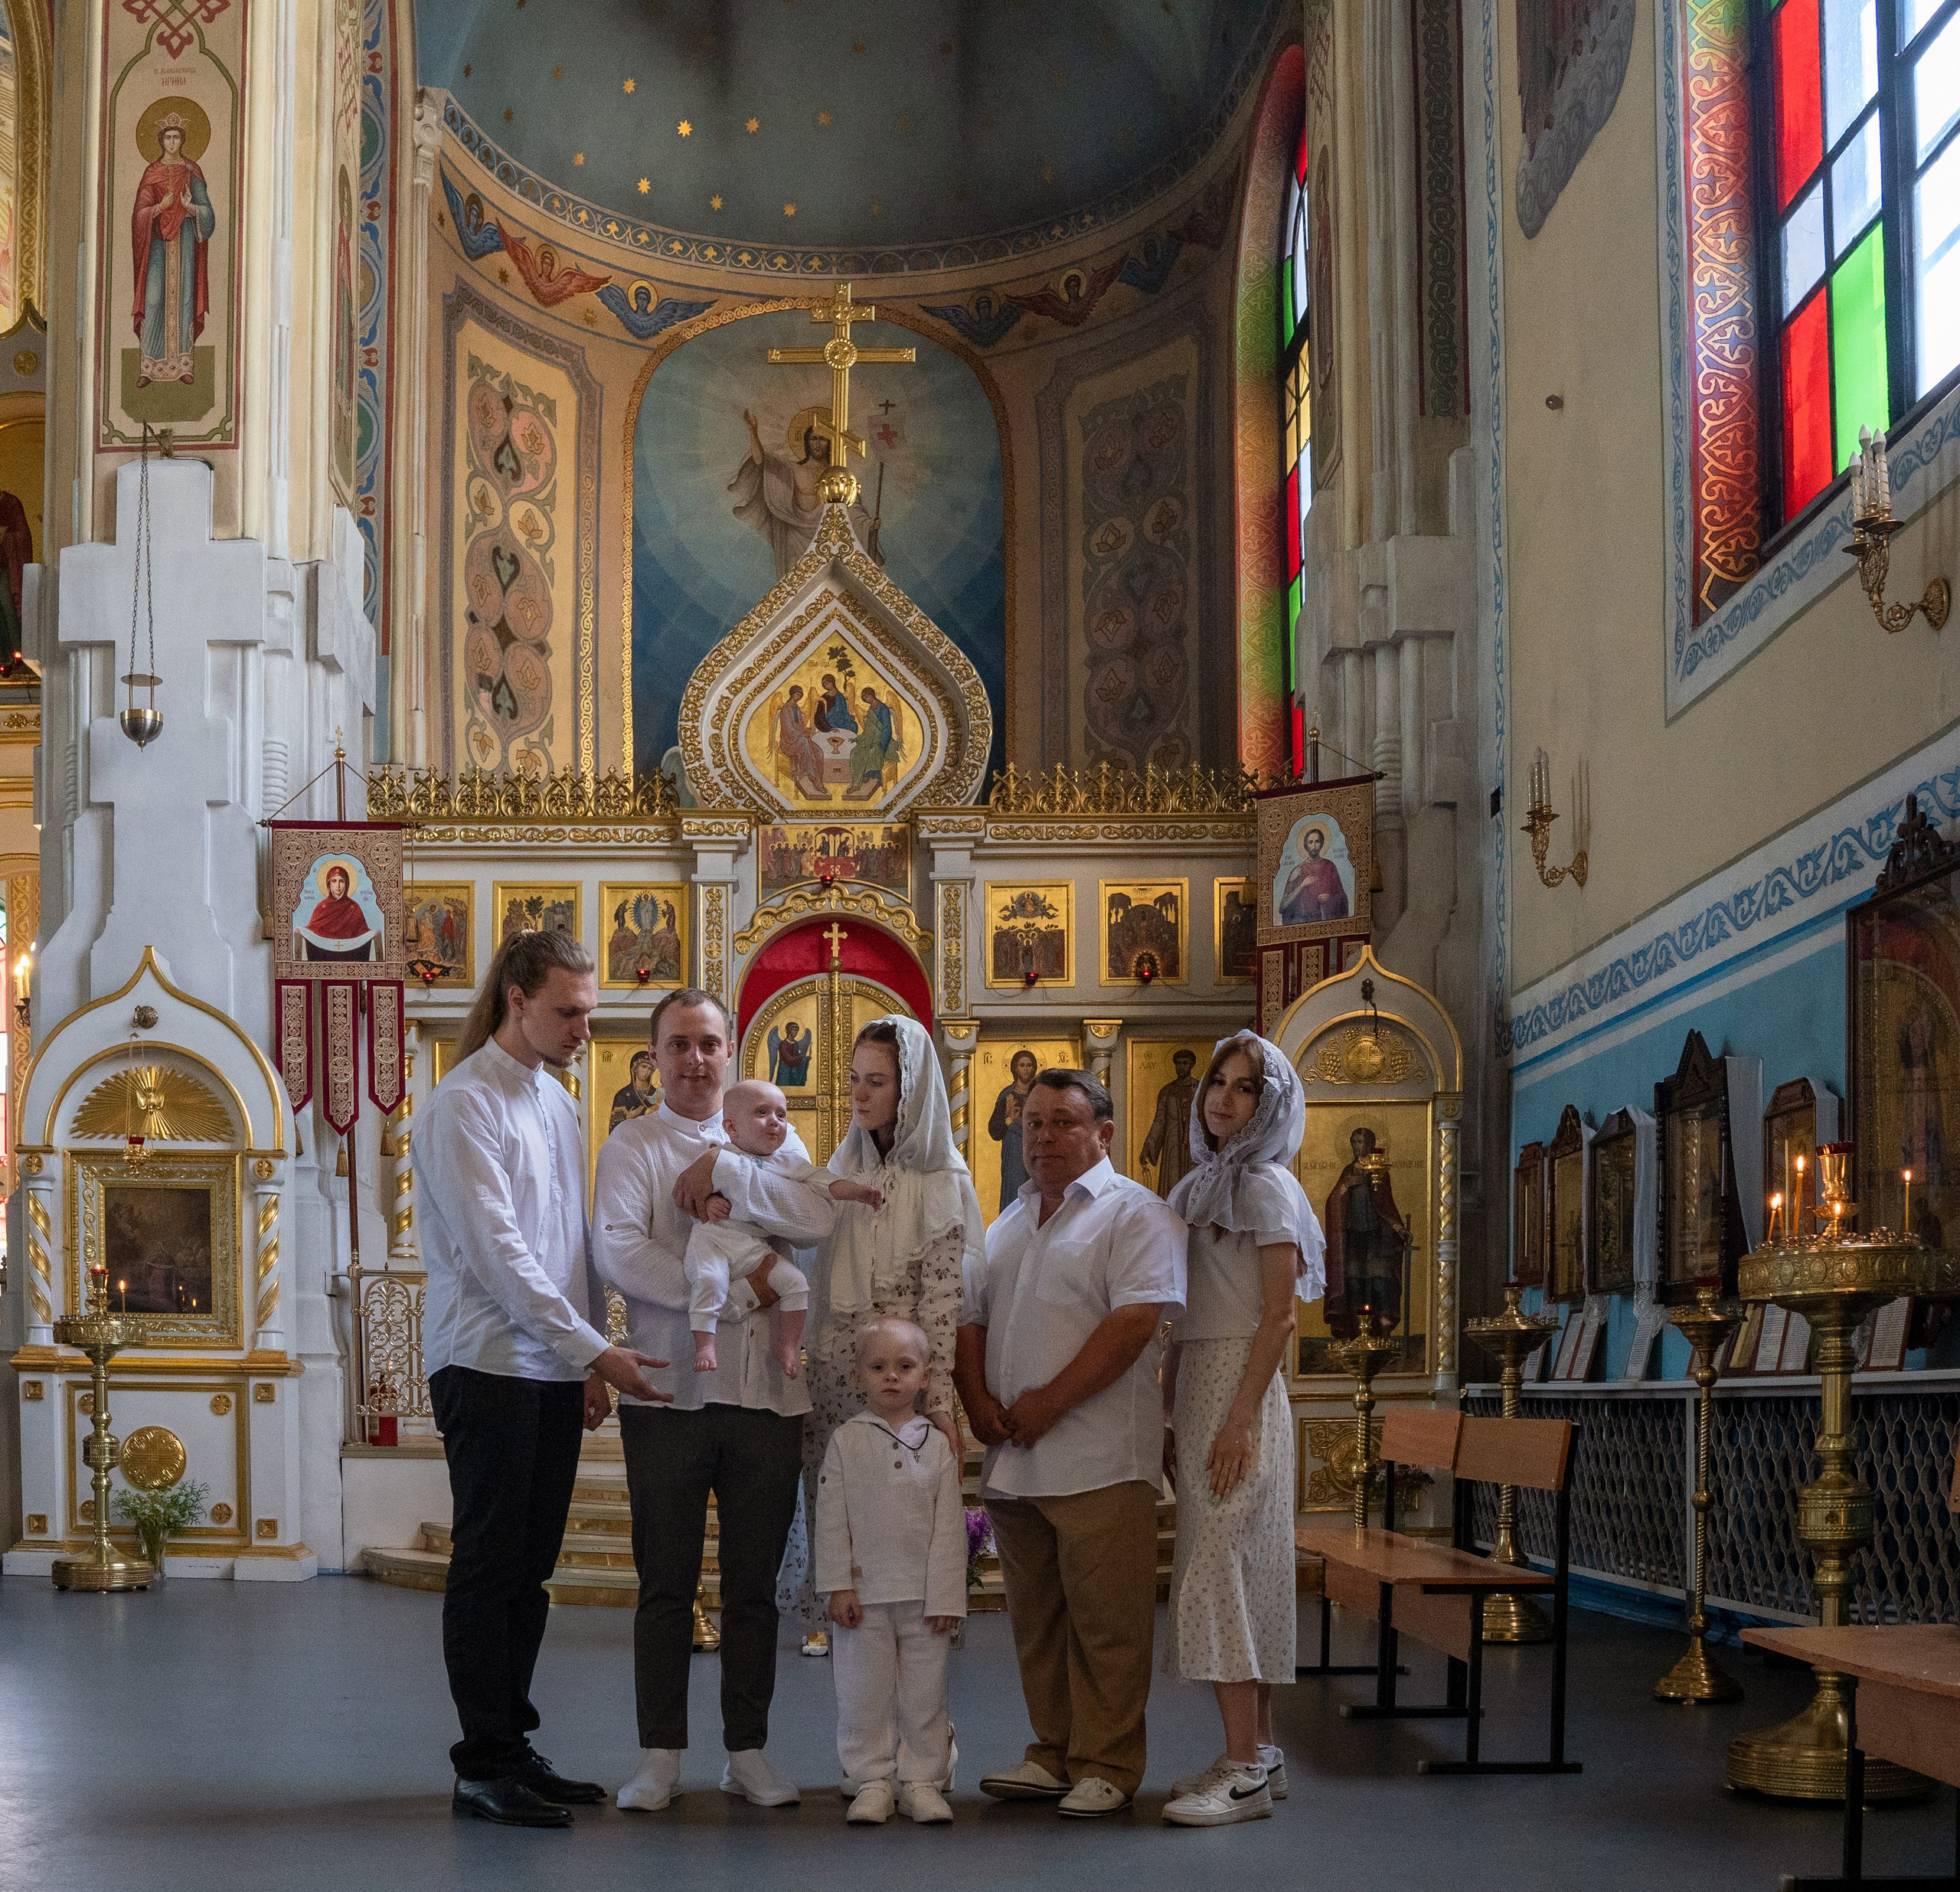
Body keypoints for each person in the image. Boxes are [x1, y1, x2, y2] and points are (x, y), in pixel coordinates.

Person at [417, 930, 668, 1828]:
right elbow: (500, 1255)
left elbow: (574, 1242)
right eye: (568, 1011)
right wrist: (594, 1350)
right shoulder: (463, 1102)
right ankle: (480, 1760)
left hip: (551, 1366)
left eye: (591, 1012)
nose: (582, 1029)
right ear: (517, 999)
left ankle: (513, 1743)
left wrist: (584, 1358)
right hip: (484, 1359)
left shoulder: (558, 1099)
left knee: (530, 1570)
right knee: (488, 1565)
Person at [594, 988, 835, 1814]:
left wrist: (729, 1169)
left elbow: (813, 1215)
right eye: (678, 1045)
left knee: (753, 1584)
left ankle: (748, 1749)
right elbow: (620, 1250)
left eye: (708, 1043)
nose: (695, 1059)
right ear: (654, 1056)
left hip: (767, 1395)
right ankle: (659, 1752)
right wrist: (737, 1299)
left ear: (730, 1050)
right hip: (668, 1387)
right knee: (665, 1580)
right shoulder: (632, 1144)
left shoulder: (772, 1131)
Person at [955, 1069, 1187, 1818]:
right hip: (1017, 1462)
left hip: (1097, 1455)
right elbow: (975, 1319)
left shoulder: (1134, 1214)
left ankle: (1109, 1762)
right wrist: (979, 1404)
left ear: (1104, 1133)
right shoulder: (1008, 1222)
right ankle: (1052, 1750)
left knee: (1107, 1622)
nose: (1043, 1136)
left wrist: (1047, 1402)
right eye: (1032, 1123)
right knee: (1039, 1621)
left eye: (1062, 1121)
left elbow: (1134, 1322)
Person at [1160, 1031, 1325, 1828]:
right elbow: (1176, 1307)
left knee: (1218, 1567)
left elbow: (1280, 1314)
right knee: (1243, 1563)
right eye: (1216, 1082)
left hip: (1240, 1385)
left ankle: (1242, 1769)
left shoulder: (1264, 1187)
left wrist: (1235, 1417)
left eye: (1246, 1087)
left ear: (1275, 1104)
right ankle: (1260, 1752)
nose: (1222, 1096)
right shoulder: (1199, 1184)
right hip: (1199, 1378)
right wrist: (1169, 1404)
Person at [777, 1016, 983, 1654]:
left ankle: (912, 1619)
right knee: (833, 1489)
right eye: (854, 1080)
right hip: (836, 1370)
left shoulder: (943, 1181)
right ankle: (833, 1606)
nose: (860, 1095)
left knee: (900, 1504)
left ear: (910, 1090)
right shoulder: (840, 1167)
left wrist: (939, 1398)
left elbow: (942, 1305)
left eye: (877, 1082)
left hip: (902, 1375)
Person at [814, 1318, 966, 1826]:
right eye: (878, 1367)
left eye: (904, 1366)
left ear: (926, 1376)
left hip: (924, 1600)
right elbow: (831, 1515)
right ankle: (871, 1780)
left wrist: (946, 1596)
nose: (891, 1377)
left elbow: (949, 1526)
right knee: (863, 1694)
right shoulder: (847, 1440)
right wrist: (838, 1584)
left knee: (926, 1694)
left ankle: (923, 1780)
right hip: (864, 1597)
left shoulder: (938, 1445)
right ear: (860, 1374)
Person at [682, 1078, 884, 1377]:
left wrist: (857, 1192)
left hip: (754, 1249)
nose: (775, 1122)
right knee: (711, 1281)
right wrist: (709, 1204)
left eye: (781, 1115)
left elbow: (821, 1181)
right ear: (732, 1128)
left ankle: (787, 1344)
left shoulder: (787, 1162)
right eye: (762, 1113)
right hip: (713, 1242)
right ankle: (704, 1346)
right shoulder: (718, 1156)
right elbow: (691, 1203)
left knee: (797, 1284)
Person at [1322, 1126, 1408, 1338]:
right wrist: (1346, 1186)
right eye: (1355, 1143)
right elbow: (1332, 1202)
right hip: (1352, 1238)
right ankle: (1354, 1331)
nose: (1358, 1147)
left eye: (1363, 1143)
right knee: (1353, 1282)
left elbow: (1386, 1205)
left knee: (1379, 1281)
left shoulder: (1380, 1172)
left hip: (1377, 1238)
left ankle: (1382, 1328)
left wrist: (1399, 1228)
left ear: (1372, 1145)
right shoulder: (1348, 1171)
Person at [1138, 1048, 1202, 1199]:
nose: (1181, 1067)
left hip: (1195, 1146)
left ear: (1192, 1064)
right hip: (1172, 1145)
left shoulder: (1200, 1090)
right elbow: (1159, 1120)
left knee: (1196, 1184)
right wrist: (1148, 1146)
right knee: (1172, 1184)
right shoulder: (1167, 1091)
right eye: (1178, 1064)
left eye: (1185, 1063)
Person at [985, 1049, 1038, 1214]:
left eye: (1029, 1066)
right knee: (1015, 1187)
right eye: (1021, 1065)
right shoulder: (1006, 1095)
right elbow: (994, 1130)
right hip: (1014, 1149)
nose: (1026, 1069)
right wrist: (1009, 1120)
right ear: (1014, 1069)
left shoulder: (1039, 1094)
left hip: (1036, 1146)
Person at [298, 863, 377, 960]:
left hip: (350, 956)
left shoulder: (353, 907)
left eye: (342, 881)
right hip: (325, 956)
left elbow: (362, 932)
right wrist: (303, 931)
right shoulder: (322, 907)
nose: (338, 886)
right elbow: (313, 930)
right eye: (334, 881)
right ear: (329, 883)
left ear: (346, 884)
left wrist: (372, 933)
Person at [1278, 824, 1349, 925]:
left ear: (1322, 843)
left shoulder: (1330, 866)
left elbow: (1342, 897)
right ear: (1306, 845)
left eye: (1317, 842)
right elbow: (1283, 906)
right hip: (1304, 921)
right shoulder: (1298, 870)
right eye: (1310, 842)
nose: (1314, 846)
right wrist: (1302, 885)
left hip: (1325, 921)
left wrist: (1330, 898)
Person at [608, 1051, 658, 1133]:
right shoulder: (623, 1095)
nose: (647, 1072)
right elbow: (613, 1127)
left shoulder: (657, 1094)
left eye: (650, 1069)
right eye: (644, 1067)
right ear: (635, 1069)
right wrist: (628, 1117)